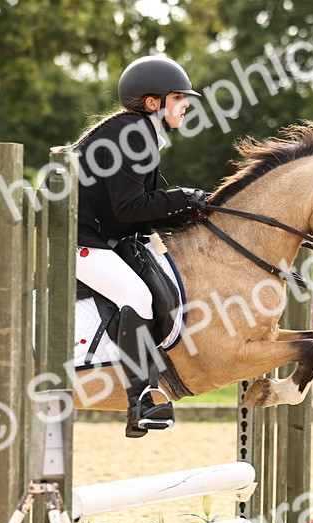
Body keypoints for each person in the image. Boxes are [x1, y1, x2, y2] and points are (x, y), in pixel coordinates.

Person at [71, 54, 208, 438]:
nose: (185, 105)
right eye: (179, 98)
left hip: (99, 236)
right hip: (78, 242)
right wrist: (180, 197)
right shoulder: (134, 134)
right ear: (153, 103)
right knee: (137, 295)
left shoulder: (136, 132)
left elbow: (132, 214)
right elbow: (130, 208)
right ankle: (142, 399)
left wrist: (183, 211)